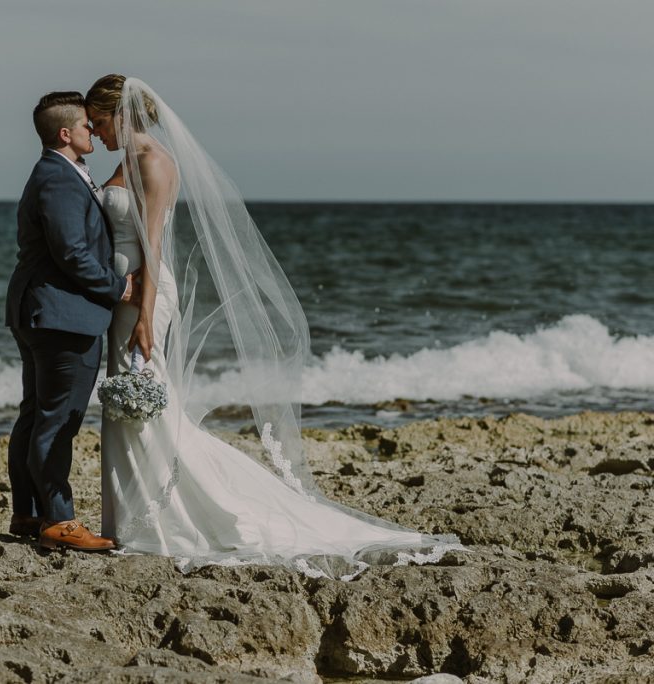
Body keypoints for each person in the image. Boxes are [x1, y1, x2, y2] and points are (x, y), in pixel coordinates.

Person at [85, 75, 463, 578]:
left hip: (145, 297)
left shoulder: (154, 162)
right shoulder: (125, 160)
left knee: (139, 401)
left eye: (100, 120)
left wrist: (147, 314)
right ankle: (134, 518)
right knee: (133, 405)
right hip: (127, 295)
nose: (94, 130)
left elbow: (154, 244)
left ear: (122, 114)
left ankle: (157, 521)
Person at [5, 91, 137, 552]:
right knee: (58, 420)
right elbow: (72, 253)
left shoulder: (60, 173)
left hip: (40, 310)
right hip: (62, 314)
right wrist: (119, 288)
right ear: (66, 133)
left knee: (36, 413)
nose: (94, 132)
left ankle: (28, 512)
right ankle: (59, 522)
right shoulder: (59, 179)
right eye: (86, 126)